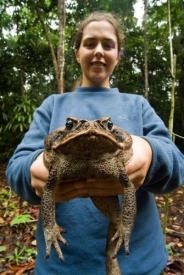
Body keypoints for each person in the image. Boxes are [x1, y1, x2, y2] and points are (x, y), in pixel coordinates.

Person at [6, 12, 184, 275]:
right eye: (90, 43)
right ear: (77, 52)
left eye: (108, 44)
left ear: (118, 54)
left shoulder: (138, 105)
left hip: (139, 260)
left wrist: (150, 153)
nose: (99, 51)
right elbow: (17, 167)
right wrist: (33, 171)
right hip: (62, 265)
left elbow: (177, 165)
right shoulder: (52, 106)